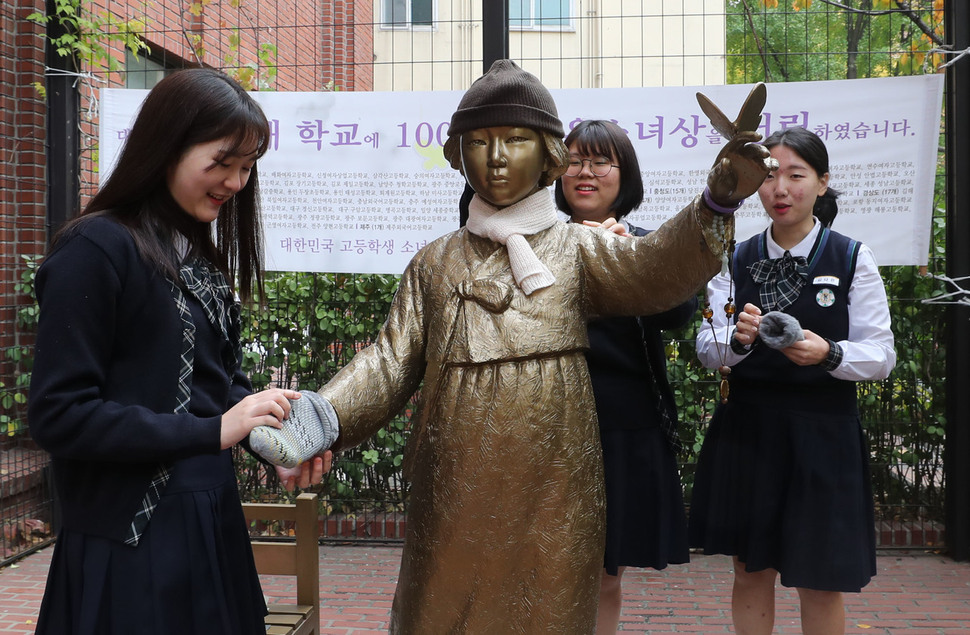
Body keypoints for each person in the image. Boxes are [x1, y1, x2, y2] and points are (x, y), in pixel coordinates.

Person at [250, 59, 773, 633]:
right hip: (453, 479)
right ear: (458, 155)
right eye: (478, 142)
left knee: (547, 607)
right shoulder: (435, 263)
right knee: (442, 606)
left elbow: (655, 270)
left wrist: (717, 202)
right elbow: (387, 362)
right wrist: (318, 419)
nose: (496, 157)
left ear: (548, 153)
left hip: (556, 477)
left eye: (515, 140)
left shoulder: (577, 249)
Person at [27, 68, 329, 635]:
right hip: (130, 542)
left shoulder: (192, 252)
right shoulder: (95, 248)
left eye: (246, 168)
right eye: (222, 163)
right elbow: (58, 415)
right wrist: (211, 431)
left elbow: (218, 387)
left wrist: (274, 442)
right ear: (166, 145)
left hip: (210, 523)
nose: (236, 182)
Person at [688, 126, 896, 635]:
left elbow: (881, 354)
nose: (780, 189)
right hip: (750, 430)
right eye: (770, 176)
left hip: (823, 432)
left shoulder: (850, 258)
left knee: (820, 578)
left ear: (822, 183)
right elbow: (707, 347)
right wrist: (737, 343)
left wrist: (829, 354)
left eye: (796, 176)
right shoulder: (736, 257)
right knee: (750, 569)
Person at [554, 119, 695, 634]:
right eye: (574, 159)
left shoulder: (641, 243)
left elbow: (680, 313)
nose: (585, 172)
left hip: (622, 427)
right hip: (546, 422)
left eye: (600, 162)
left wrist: (628, 260)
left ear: (624, 174)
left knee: (605, 572)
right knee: (542, 565)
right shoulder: (531, 242)